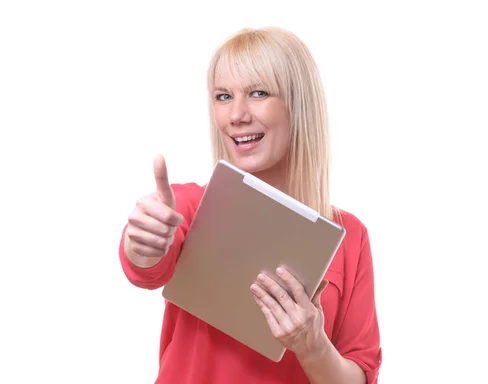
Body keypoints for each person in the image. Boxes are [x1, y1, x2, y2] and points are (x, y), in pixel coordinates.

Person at [118, 27, 382, 383]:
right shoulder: (191, 205)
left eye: (258, 93)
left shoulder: (349, 236)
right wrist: (142, 244)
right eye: (223, 96)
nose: (235, 115)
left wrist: (312, 346)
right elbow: (146, 268)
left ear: (298, 106)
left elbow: (359, 375)